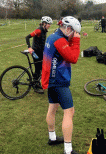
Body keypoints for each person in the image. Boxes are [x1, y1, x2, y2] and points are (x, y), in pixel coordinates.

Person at [41, 16, 81, 154]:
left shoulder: (52, 36)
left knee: (52, 108)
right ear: (68, 29)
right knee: (69, 112)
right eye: (74, 33)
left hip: (51, 79)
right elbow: (73, 58)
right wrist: (76, 41)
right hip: (59, 80)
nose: (74, 36)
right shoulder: (59, 40)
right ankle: (68, 149)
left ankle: (52, 138)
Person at [25, 16, 53, 93]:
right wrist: (29, 47)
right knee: (38, 68)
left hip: (41, 52)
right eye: (48, 24)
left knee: (40, 67)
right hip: (35, 52)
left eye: (50, 24)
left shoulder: (44, 31)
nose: (49, 25)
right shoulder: (39, 30)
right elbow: (27, 37)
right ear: (44, 23)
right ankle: (35, 86)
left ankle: (35, 80)